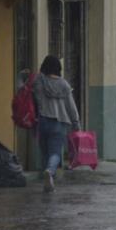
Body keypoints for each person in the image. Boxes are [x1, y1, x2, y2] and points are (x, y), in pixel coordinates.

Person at [33, 55, 81, 193]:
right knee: (55, 153)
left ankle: (47, 181)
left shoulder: (39, 81)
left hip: (43, 120)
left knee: (44, 153)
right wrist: (76, 123)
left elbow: (34, 96)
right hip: (59, 123)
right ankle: (50, 171)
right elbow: (71, 106)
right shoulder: (64, 84)